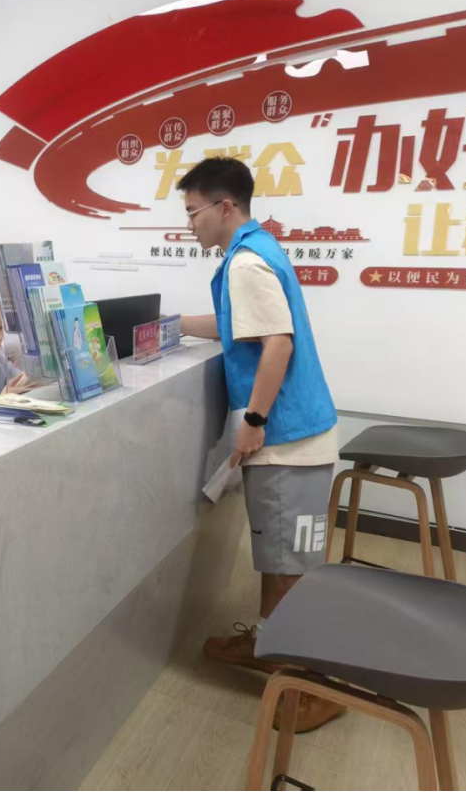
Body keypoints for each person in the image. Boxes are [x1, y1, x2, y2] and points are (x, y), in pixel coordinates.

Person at [178, 157, 343, 732]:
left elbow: (278, 345)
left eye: (193, 212)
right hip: (296, 435)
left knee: (293, 570)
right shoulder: (254, 249)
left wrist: (253, 418)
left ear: (225, 207)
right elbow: (237, 326)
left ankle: (314, 689)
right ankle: (270, 646)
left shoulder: (246, 262)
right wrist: (171, 323)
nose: (190, 224)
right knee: (279, 560)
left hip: (288, 441)